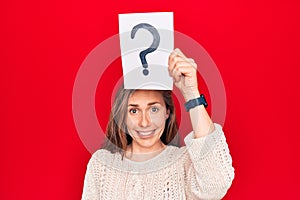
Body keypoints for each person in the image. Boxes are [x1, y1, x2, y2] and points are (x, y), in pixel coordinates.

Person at [81, 48, 234, 199]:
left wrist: (191, 92)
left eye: (153, 109)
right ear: (123, 116)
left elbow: (216, 185)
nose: (144, 122)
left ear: (167, 112)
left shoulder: (182, 163)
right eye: (134, 111)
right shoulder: (102, 165)